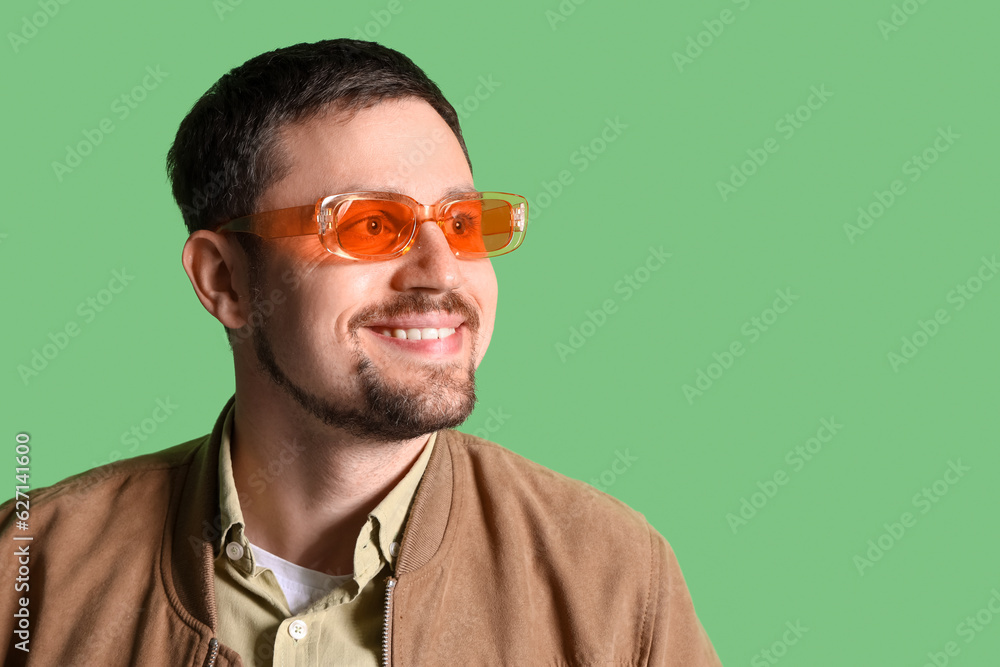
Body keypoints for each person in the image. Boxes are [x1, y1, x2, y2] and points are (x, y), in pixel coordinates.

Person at [0, 39, 721, 666]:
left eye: (465, 222)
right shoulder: (28, 568)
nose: (442, 272)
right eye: (372, 225)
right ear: (225, 280)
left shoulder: (616, 579)